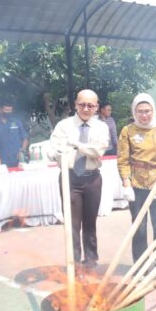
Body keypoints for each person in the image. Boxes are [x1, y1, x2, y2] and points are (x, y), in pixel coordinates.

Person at [49, 89, 110, 270]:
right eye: (82, 104)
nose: (85, 108)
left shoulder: (101, 127)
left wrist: (76, 145)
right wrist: (56, 153)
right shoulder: (64, 126)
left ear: (96, 107)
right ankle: (73, 262)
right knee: (72, 224)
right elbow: (53, 149)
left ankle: (91, 259)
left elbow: (97, 152)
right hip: (70, 179)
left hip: (92, 179)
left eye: (90, 105)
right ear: (75, 104)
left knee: (90, 222)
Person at [117, 93, 156, 273]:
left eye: (147, 111)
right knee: (139, 226)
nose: (144, 115)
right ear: (134, 111)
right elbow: (123, 159)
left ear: (153, 110)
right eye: (140, 111)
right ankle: (141, 265)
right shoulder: (128, 131)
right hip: (136, 182)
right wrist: (126, 183)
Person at [0, 101, 28, 168]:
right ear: (0, 110)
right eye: (7, 110)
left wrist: (22, 151)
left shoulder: (17, 122)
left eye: (10, 110)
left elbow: (25, 138)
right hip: (1, 161)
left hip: (17, 160)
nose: (9, 112)